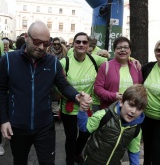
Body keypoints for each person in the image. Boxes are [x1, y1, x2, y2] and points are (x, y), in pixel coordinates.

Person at [0, 21, 92, 165]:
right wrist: (4, 119)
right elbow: (1, 90)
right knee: (19, 161)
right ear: (26, 37)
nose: (42, 47)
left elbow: (63, 85)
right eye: (37, 42)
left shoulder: (53, 62)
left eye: (46, 43)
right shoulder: (8, 60)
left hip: (45, 126)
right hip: (17, 126)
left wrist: (76, 96)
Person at [60, 32, 107, 165]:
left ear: (88, 45)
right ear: (73, 45)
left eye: (84, 42)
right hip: (69, 108)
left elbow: (115, 61)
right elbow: (58, 86)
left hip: (86, 108)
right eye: (78, 42)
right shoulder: (64, 62)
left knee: (85, 134)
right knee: (71, 137)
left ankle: (76, 154)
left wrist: (132, 60)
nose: (81, 44)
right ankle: (69, 160)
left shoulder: (94, 59)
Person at [78, 84, 148, 165]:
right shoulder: (104, 115)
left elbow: (134, 152)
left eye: (139, 109)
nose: (133, 111)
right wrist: (83, 110)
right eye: (131, 105)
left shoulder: (136, 129)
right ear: (121, 102)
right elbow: (84, 128)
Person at [141, 38, 160, 165]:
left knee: (158, 153)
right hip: (145, 118)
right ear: (155, 52)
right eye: (159, 50)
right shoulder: (148, 67)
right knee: (147, 151)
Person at [94, 36, 143, 109]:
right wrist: (113, 96)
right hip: (111, 110)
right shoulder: (105, 66)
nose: (122, 50)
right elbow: (97, 88)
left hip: (131, 110)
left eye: (126, 47)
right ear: (114, 50)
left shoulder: (136, 66)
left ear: (130, 50)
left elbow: (140, 87)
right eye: (119, 48)